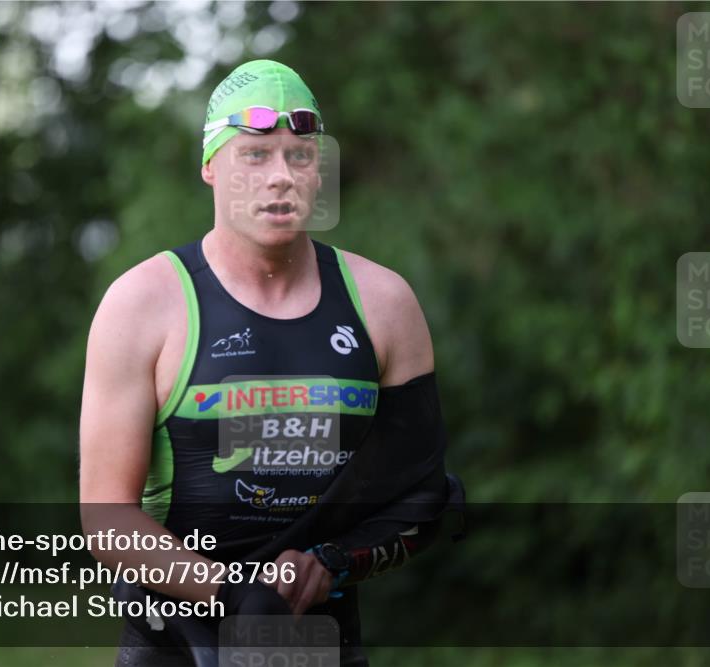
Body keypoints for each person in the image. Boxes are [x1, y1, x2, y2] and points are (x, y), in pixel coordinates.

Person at [79, 59, 452, 667]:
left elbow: (425, 496)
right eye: (255, 155)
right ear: (210, 166)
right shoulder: (143, 305)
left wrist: (327, 565)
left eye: (299, 155)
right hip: (177, 646)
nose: (280, 176)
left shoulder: (384, 304)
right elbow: (106, 517)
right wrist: (229, 595)